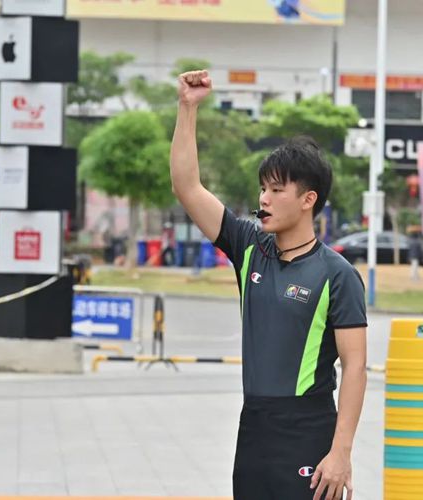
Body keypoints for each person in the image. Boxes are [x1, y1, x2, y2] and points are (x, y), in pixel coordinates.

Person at [170, 70, 367, 500]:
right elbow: (187, 187)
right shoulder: (249, 247)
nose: (263, 199)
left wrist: (341, 452)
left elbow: (355, 367)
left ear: (308, 199)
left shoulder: (337, 274)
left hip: (309, 431)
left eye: (276, 190)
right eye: (262, 188)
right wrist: (187, 108)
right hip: (255, 429)